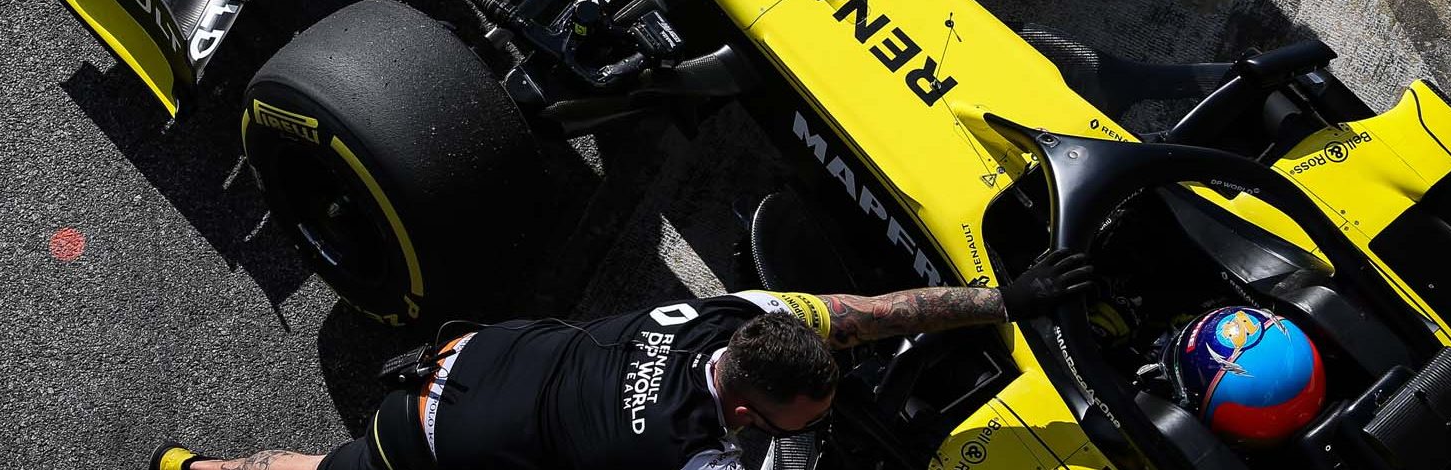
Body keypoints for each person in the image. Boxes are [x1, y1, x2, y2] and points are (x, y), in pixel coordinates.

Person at [149, 250, 1096, 470]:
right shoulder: (686, 457)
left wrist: (1004, 300)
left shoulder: (741, 319)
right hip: (445, 431)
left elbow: (872, 314)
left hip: (491, 348)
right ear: (740, 416)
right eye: (795, 429)